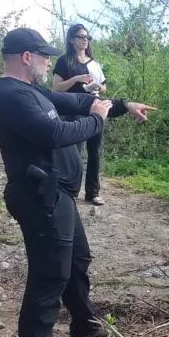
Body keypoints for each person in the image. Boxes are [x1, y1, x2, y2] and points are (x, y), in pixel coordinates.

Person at [0, 28, 156, 337]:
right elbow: (53, 134)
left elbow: (76, 103)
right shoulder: (10, 96)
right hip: (39, 197)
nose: (50, 62)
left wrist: (122, 105)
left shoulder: (32, 91)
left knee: (77, 260)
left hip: (57, 194)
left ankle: (82, 321)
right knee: (49, 274)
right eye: (45, 56)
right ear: (26, 57)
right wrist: (95, 120)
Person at [51, 24, 108, 205]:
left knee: (94, 151)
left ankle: (92, 192)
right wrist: (76, 79)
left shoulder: (94, 63)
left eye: (87, 37)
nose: (85, 39)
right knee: (74, 152)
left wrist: (98, 86)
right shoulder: (64, 61)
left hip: (94, 106)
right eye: (80, 36)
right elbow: (56, 88)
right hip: (73, 111)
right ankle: (69, 191)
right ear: (71, 39)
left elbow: (104, 87)